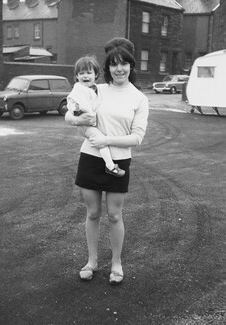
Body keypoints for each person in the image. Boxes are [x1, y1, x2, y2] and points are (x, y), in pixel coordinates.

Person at [65, 37, 149, 284]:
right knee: (92, 213)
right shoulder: (95, 89)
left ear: (132, 66)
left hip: (119, 161)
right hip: (91, 157)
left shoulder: (139, 98)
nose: (119, 69)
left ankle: (116, 262)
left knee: (114, 215)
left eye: (124, 64)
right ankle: (91, 261)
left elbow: (137, 138)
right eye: (114, 64)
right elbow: (71, 112)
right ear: (108, 67)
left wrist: (106, 141)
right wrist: (75, 120)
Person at [66, 55, 125, 177]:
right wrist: (76, 112)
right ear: (77, 76)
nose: (85, 76)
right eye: (81, 73)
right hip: (85, 125)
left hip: (91, 124)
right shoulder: (78, 89)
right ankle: (110, 166)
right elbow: (71, 101)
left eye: (89, 73)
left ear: (96, 75)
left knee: (100, 140)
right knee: (101, 141)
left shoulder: (96, 89)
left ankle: (109, 165)